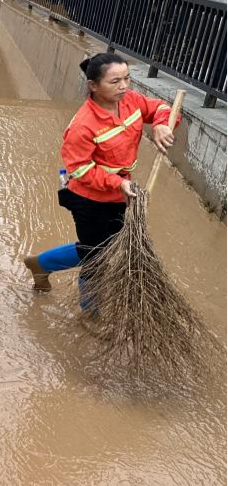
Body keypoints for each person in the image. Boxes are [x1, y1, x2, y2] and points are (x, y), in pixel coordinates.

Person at [23, 53, 178, 307]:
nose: (124, 87)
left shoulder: (131, 101)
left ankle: (40, 264)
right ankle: (90, 312)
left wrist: (161, 124)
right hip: (88, 199)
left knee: (104, 246)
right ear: (93, 86)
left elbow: (161, 108)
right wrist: (119, 183)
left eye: (127, 79)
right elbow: (82, 170)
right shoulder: (83, 125)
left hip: (119, 194)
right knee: (95, 257)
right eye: (115, 81)